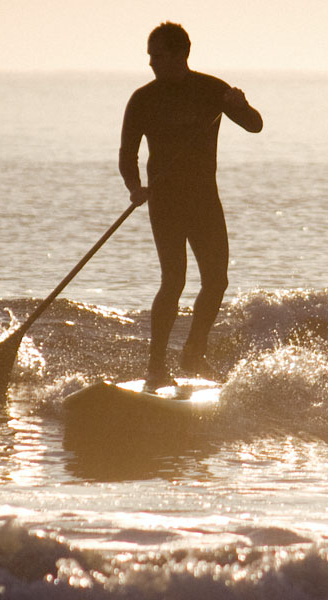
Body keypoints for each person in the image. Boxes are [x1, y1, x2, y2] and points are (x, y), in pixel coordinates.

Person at [119, 22, 263, 391]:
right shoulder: (143, 99)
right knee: (174, 280)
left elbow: (255, 126)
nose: (151, 62)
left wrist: (240, 105)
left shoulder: (212, 90)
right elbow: (127, 155)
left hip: (204, 201)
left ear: (181, 54)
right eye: (150, 55)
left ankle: (194, 353)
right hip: (165, 203)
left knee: (217, 280)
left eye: (158, 55)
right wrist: (135, 187)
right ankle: (156, 368)